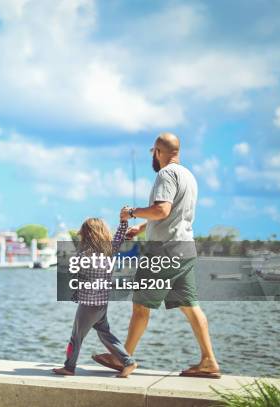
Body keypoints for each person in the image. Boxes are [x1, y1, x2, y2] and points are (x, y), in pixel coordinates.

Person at [93, 132, 221, 379]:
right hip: (184, 249)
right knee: (190, 306)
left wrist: (132, 213)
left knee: (140, 305)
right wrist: (142, 228)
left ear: (159, 152)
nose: (153, 157)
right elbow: (176, 214)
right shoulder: (189, 176)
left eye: (154, 153)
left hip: (163, 251)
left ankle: (122, 358)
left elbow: (162, 210)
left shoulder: (166, 174)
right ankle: (209, 361)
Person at [52, 215, 138, 378]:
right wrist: (124, 221)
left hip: (88, 304)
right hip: (101, 303)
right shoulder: (110, 250)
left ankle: (69, 368)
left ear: (87, 235)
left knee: (76, 337)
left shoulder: (83, 256)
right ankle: (128, 362)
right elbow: (119, 236)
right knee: (105, 333)